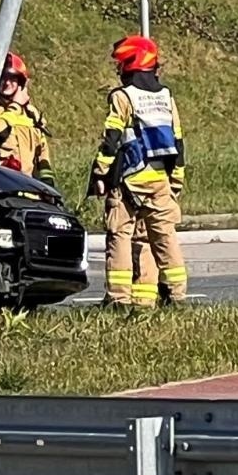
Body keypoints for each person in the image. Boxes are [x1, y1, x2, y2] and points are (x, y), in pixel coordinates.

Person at [87, 35, 187, 309]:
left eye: (120, 65)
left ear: (129, 65)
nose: (118, 71)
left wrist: (100, 172)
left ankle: (119, 298)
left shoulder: (123, 97)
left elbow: (112, 137)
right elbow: (178, 141)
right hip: (160, 180)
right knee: (161, 236)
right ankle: (170, 296)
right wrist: (176, 180)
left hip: (129, 179)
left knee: (119, 233)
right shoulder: (166, 96)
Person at [0, 52, 56, 185]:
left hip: (30, 189)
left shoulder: (31, 114)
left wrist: (47, 182)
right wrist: (16, 106)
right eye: (3, 78)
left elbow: (43, 151)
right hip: (2, 187)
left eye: (12, 79)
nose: (7, 83)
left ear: (21, 83)